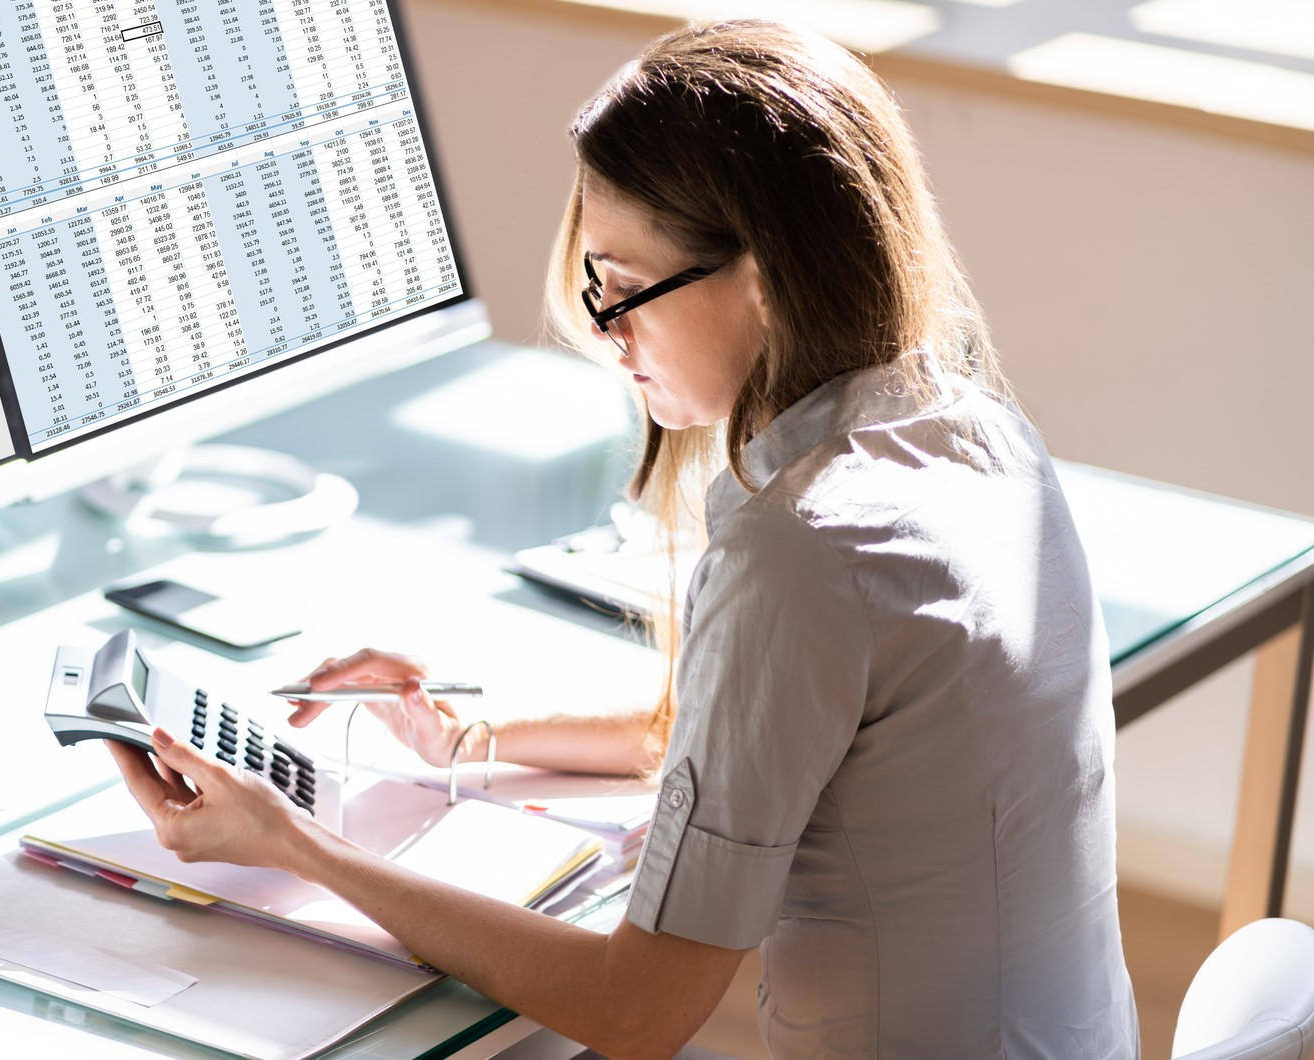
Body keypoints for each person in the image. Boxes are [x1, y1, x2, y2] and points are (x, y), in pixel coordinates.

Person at [106, 18, 1138, 1058]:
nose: (609, 333)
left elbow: (636, 1011)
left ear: (764, 275)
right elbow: (730, 736)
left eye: (620, 287)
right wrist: (465, 738)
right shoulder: (974, 431)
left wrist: (297, 845)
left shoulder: (803, 547)